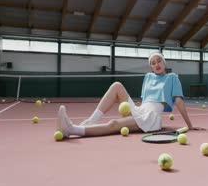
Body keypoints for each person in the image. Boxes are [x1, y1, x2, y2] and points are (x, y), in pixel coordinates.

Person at [56, 52, 199, 138]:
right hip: (141, 110)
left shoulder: (172, 77)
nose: (156, 64)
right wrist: (133, 108)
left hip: (150, 118)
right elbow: (144, 102)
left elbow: (179, 102)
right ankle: (91, 121)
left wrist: (189, 126)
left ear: (164, 62)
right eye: (153, 63)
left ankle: (72, 129)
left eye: (159, 61)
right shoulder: (148, 77)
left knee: (114, 124)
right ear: (151, 66)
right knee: (117, 85)